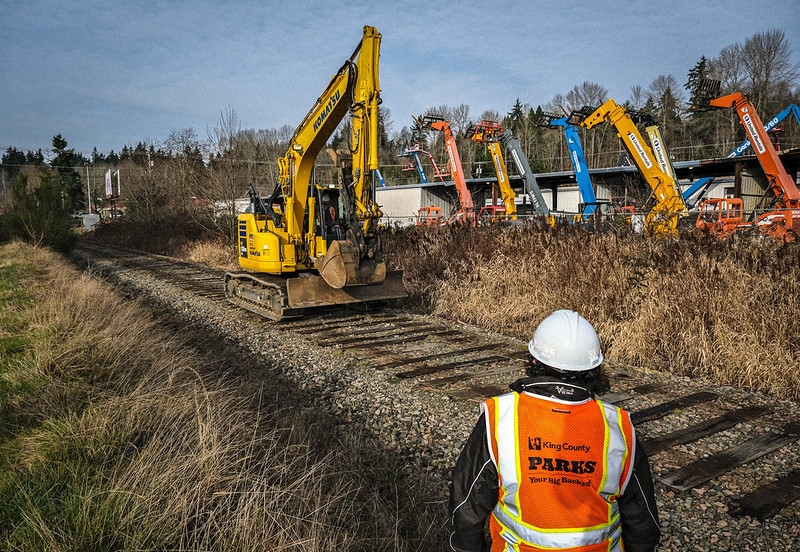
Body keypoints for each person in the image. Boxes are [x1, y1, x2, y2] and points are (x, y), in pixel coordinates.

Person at [449, 310, 660, 552]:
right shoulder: (618, 427)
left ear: (535, 361)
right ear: (594, 369)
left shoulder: (501, 417)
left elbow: (466, 506)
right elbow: (642, 521)